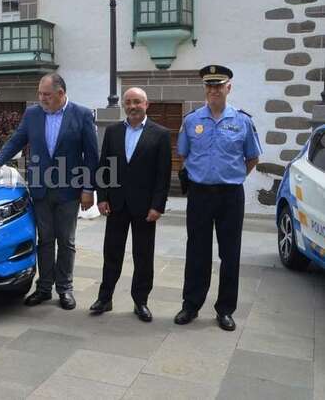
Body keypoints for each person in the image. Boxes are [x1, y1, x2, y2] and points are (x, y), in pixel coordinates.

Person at [0, 73, 98, 310]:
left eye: (47, 95)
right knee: (44, 241)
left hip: (69, 190)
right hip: (40, 189)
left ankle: (65, 289)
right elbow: (17, 140)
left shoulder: (81, 114)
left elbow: (91, 156)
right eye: (40, 94)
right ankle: (43, 289)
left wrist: (88, 188)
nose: (42, 98)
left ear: (61, 93)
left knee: (66, 241)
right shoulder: (33, 114)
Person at [174, 65, 261, 331]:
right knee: (197, 250)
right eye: (209, 86)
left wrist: (231, 176)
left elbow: (253, 157)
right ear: (205, 89)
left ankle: (225, 309)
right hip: (200, 195)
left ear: (228, 88)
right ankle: (191, 305)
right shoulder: (191, 121)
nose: (213, 90)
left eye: (218, 85)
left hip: (230, 195)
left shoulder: (242, 121)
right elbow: (184, 154)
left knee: (230, 253)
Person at [90, 87, 171, 322]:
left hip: (145, 207)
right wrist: (102, 197)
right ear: (124, 106)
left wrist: (158, 206)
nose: (132, 106)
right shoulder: (114, 132)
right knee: (111, 253)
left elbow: (162, 174)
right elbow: (105, 166)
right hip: (116, 204)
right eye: (128, 102)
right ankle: (105, 298)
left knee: (143, 256)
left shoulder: (161, 134)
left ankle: (141, 301)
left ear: (147, 105)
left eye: (137, 102)